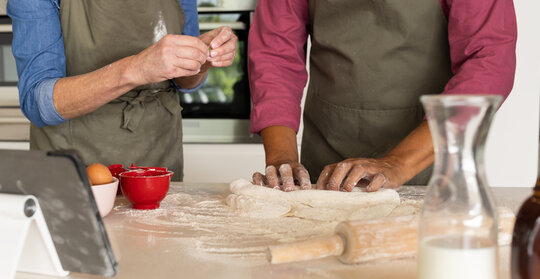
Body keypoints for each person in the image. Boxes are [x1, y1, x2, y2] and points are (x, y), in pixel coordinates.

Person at [248, 0, 517, 191]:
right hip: (326, 161)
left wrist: (398, 163)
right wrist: (282, 160)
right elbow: (275, 55)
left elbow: (488, 62)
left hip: (430, 160)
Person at [8, 0, 237, 181]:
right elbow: (38, 101)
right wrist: (136, 68)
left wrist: (203, 58)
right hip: (74, 162)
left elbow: (184, 81)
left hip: (159, 156)